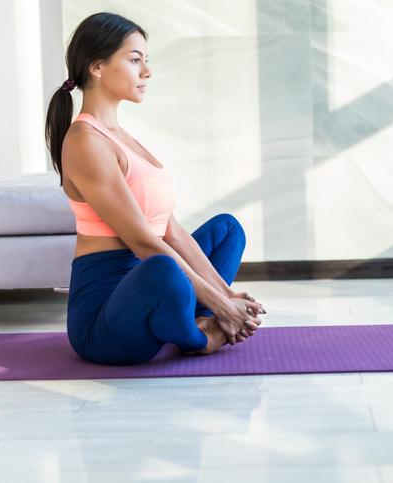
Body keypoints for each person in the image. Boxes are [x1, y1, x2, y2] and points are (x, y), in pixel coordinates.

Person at [44, 12, 264, 366]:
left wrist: (228, 295)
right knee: (163, 268)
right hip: (103, 320)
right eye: (135, 60)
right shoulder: (85, 141)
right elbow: (144, 241)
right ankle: (201, 337)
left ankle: (203, 316)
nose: (147, 72)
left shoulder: (124, 139)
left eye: (147, 60)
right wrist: (224, 306)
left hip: (152, 277)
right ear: (97, 67)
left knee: (227, 230)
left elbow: (171, 231)